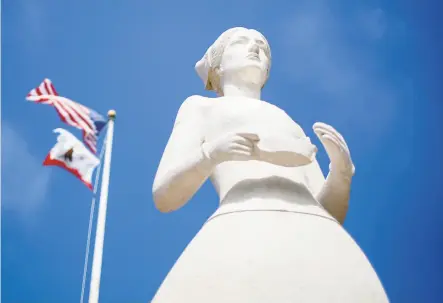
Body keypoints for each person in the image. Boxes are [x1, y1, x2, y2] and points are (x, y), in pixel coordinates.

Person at [151, 27, 389, 302]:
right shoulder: (201, 107)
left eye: (262, 46)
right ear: (217, 64)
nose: (255, 49)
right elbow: (164, 195)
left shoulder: (288, 121)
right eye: (241, 42)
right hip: (243, 224)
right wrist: (211, 154)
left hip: (316, 239)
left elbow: (326, 211)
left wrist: (340, 174)